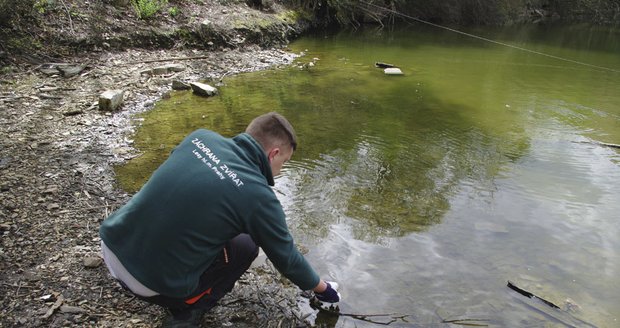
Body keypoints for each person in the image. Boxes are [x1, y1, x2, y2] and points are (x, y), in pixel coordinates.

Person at [99, 112, 341, 327]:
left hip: (112, 245)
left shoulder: (200, 138)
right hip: (148, 283)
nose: (279, 171)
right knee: (246, 246)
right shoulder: (258, 195)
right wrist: (322, 289)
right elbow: (287, 259)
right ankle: (187, 311)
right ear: (273, 153)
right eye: (283, 162)